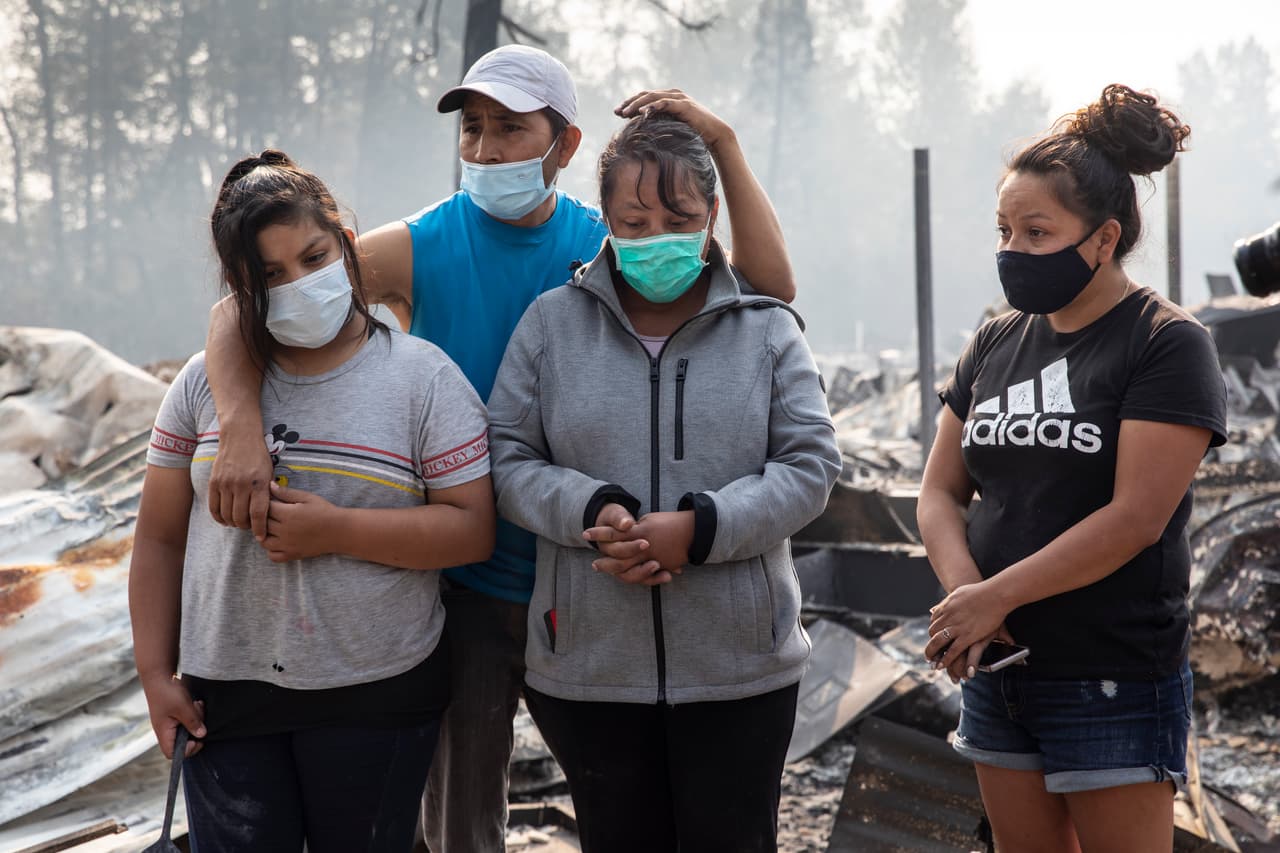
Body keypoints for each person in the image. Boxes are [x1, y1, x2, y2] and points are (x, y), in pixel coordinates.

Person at [200, 45, 799, 853]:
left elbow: (768, 288)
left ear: (565, 145)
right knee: (462, 812)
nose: (486, 150)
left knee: (622, 802)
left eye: (511, 130)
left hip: (593, 575)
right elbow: (244, 305)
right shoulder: (421, 243)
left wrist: (721, 142)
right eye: (473, 130)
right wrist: (238, 426)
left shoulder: (613, 241)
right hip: (464, 579)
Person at [486, 110, 841, 853]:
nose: (655, 238)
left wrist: (701, 530)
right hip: (588, 669)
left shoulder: (767, 328)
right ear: (606, 221)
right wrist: (591, 508)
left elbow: (811, 465)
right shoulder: (552, 325)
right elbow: (507, 455)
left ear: (713, 214)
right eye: (633, 221)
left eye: (679, 217)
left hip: (742, 673)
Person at [128, 150, 496, 852]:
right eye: (270, 275)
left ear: (348, 247)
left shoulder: (424, 380)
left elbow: (472, 529)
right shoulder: (203, 384)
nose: (298, 283)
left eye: (313, 256)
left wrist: (335, 530)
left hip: (378, 691)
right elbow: (160, 537)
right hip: (223, 694)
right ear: (241, 289)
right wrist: (155, 671)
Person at [918, 84, 1228, 853]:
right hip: (997, 672)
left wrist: (995, 598)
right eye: (1003, 231)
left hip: (1112, 676)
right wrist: (969, 603)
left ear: (1103, 237)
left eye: (1036, 231)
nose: (1012, 252)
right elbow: (939, 490)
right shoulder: (995, 340)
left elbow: (1135, 519)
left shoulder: (1165, 343)